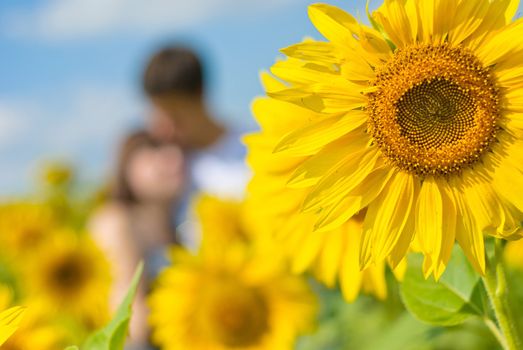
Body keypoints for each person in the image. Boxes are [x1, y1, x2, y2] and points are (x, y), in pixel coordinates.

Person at [142, 46, 249, 248]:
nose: (166, 127)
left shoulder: (251, 147)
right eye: (158, 114)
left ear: (200, 94)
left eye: (175, 115)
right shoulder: (168, 164)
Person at [89, 131, 185, 349]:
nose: (173, 157)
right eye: (153, 150)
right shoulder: (116, 221)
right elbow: (129, 315)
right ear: (125, 166)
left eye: (178, 150)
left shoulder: (176, 224)